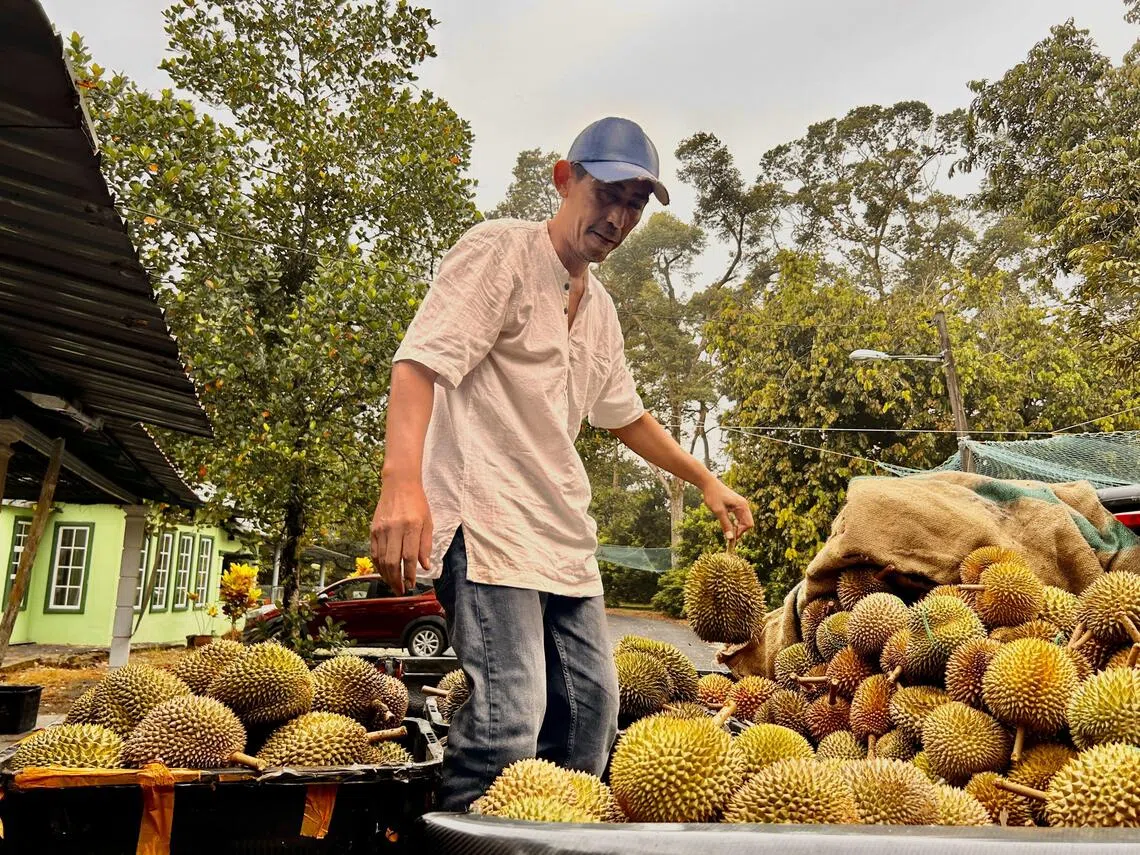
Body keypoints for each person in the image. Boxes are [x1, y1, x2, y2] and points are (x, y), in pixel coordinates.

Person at [370, 116, 755, 811]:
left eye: (634, 204)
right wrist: (402, 483)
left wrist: (705, 478)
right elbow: (418, 362)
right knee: (506, 722)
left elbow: (625, 414)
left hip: (560, 532)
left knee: (589, 718)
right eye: (607, 192)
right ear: (563, 179)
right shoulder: (501, 254)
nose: (618, 216)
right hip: (488, 526)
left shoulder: (599, 307)